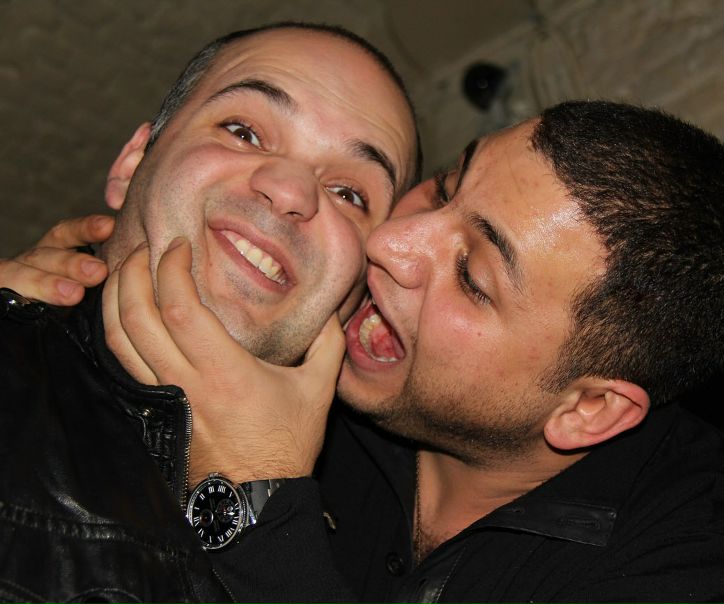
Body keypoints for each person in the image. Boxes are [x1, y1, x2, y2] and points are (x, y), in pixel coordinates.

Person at [3, 101, 724, 601]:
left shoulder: (704, 574)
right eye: (447, 186)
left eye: (472, 275)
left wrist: (257, 499)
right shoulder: (332, 336)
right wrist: (45, 321)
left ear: (589, 409)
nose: (391, 240)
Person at [0, 21, 420, 602]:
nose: (290, 191)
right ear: (132, 163)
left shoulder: (375, 554)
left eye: (350, 194)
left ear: (359, 298)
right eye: (243, 131)